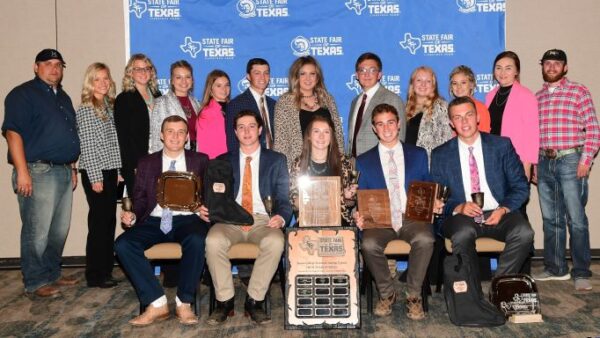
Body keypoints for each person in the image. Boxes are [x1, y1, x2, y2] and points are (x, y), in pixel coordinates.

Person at [114, 116, 209, 326]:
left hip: (187, 219)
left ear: (187, 137)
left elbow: (209, 196)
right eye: (170, 131)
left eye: (181, 132)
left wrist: (206, 208)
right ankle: (157, 303)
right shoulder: (147, 163)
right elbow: (139, 198)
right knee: (123, 244)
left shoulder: (200, 160)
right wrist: (133, 214)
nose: (175, 136)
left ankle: (184, 302)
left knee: (197, 239)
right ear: (161, 135)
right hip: (155, 219)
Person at [2, 49, 80, 298]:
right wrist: (22, 171)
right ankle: (35, 281)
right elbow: (12, 133)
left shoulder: (63, 97)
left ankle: (51, 273)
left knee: (59, 230)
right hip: (37, 170)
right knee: (37, 230)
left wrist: (72, 167)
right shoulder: (23, 94)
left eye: (58, 64)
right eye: (48, 64)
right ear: (36, 67)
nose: (54, 68)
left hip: (63, 171)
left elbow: (66, 135)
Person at [203, 110, 292, 326]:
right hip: (229, 220)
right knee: (213, 241)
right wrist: (206, 208)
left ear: (260, 130)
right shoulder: (223, 161)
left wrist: (281, 216)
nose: (247, 131)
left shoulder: (276, 160)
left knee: (276, 241)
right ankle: (225, 301)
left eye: (251, 126)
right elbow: (213, 195)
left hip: (263, 219)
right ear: (235, 132)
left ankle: (254, 300)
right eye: (241, 127)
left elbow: (283, 197)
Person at [430, 97, 534, 281]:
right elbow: (437, 198)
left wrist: (503, 209)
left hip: (499, 213)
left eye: (469, 115)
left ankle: (500, 285)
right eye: (458, 117)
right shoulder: (440, 154)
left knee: (524, 232)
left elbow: (520, 186)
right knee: (462, 234)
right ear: (451, 123)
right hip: (462, 218)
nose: (464, 121)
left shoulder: (501, 146)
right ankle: (471, 296)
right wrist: (458, 207)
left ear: (477, 117)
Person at [354, 103, 437, 320]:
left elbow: (428, 186)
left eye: (391, 122)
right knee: (369, 244)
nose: (387, 128)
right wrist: (358, 213)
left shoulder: (418, 154)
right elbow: (361, 196)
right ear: (374, 128)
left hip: (411, 215)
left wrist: (434, 203)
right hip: (380, 219)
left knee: (425, 239)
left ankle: (413, 295)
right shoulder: (363, 161)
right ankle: (387, 293)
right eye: (380, 124)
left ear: (399, 124)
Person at [534, 49, 600, 291]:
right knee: (551, 219)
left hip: (571, 159)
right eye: (548, 63)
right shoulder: (537, 97)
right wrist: (534, 164)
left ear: (565, 67)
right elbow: (533, 135)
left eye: (557, 63)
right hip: (544, 161)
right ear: (542, 66)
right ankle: (556, 268)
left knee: (577, 219)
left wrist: (586, 160)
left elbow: (593, 128)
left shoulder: (578, 91)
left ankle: (581, 271)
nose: (552, 67)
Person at [75, 63, 122, 288]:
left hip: (110, 170)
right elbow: (88, 146)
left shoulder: (109, 106)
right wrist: (95, 177)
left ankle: (105, 270)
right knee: (99, 223)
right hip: (96, 171)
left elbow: (114, 143)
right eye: (98, 79)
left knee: (108, 222)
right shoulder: (86, 109)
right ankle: (95, 275)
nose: (103, 83)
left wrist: (119, 170)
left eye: (106, 78)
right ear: (90, 83)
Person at [273, 55, 344, 169]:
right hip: (299, 166)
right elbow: (281, 143)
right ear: (295, 77)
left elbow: (338, 136)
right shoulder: (285, 102)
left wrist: (341, 164)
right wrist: (285, 172)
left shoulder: (328, 99)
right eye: (303, 74)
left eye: (312, 74)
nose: (308, 78)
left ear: (317, 77)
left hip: (329, 165)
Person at [289, 115, 357, 226]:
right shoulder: (298, 164)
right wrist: (305, 199)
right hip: (307, 219)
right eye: (316, 131)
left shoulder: (343, 162)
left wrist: (348, 197)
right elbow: (294, 203)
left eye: (326, 132)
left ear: (331, 137)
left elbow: (350, 203)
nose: (321, 136)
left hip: (338, 219)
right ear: (309, 136)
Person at [485, 51, 539, 183]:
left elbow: (531, 135)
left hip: (516, 162)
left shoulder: (526, 95)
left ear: (516, 72)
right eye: (498, 68)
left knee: (515, 202)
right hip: (493, 160)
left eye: (508, 68)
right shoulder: (490, 95)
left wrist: (527, 165)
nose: (502, 72)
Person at [114, 53, 161, 197]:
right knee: (141, 207)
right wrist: (134, 165)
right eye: (138, 69)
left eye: (147, 68)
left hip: (159, 158)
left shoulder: (158, 96)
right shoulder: (124, 99)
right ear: (130, 73)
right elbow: (123, 138)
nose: (143, 72)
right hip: (137, 163)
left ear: (151, 72)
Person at [348, 52, 406, 157]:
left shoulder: (393, 99)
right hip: (355, 166)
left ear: (379, 75)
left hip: (381, 164)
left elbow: (400, 138)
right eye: (362, 70)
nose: (367, 74)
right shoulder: (355, 102)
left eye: (372, 70)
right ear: (356, 75)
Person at [149, 60, 200, 153]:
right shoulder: (161, 103)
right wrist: (158, 162)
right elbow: (156, 137)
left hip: (195, 155)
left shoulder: (197, 103)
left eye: (187, 77)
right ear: (172, 80)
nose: (184, 81)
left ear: (192, 80)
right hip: (172, 155)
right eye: (178, 77)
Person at [225, 58, 276, 152]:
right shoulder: (236, 104)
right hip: (249, 161)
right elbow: (232, 141)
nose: (262, 77)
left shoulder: (274, 105)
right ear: (248, 76)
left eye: (266, 73)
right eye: (257, 73)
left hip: (274, 160)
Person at [404, 66, 453, 159]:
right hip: (408, 163)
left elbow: (446, 141)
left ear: (433, 85)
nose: (423, 84)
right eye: (419, 80)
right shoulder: (405, 108)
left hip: (430, 164)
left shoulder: (441, 107)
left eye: (428, 81)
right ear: (412, 84)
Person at [195, 69, 230, 159]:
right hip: (217, 164)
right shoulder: (205, 114)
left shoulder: (235, 107)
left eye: (227, 85)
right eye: (219, 86)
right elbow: (204, 147)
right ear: (210, 89)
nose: (224, 89)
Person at [449, 65, 491, 133]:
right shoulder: (451, 108)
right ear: (451, 87)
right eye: (455, 83)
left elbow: (485, 137)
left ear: (471, 85)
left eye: (463, 82)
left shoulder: (480, 108)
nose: (459, 87)